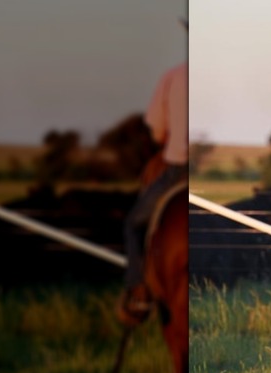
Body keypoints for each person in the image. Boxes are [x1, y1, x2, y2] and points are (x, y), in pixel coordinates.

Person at [116, 20, 188, 327]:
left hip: (178, 168)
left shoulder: (172, 77)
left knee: (134, 224)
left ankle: (138, 293)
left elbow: (158, 131)